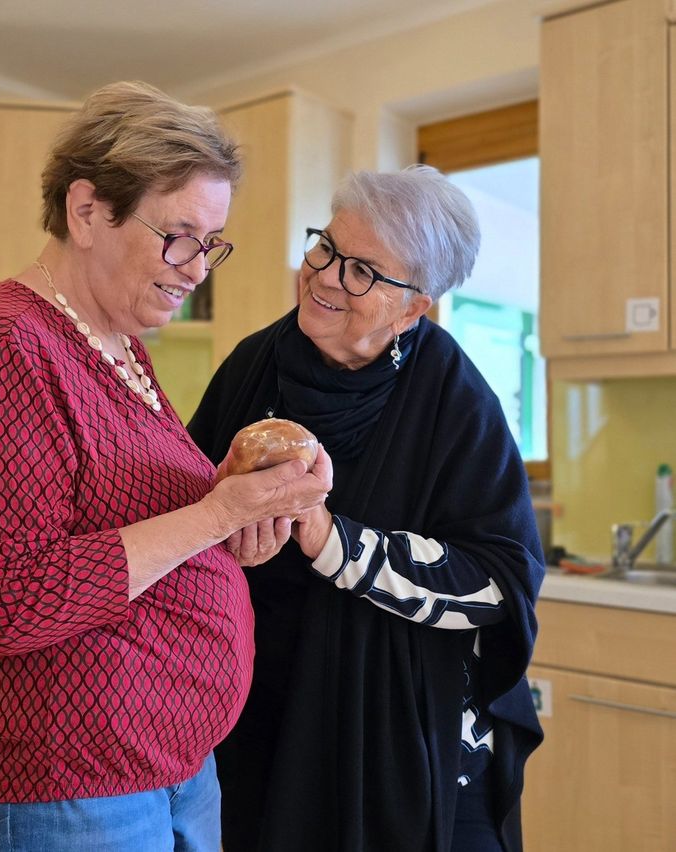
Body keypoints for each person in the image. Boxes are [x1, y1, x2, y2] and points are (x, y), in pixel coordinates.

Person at [0, 80, 332, 852]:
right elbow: (6, 600)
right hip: (59, 784)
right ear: (86, 211)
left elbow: (128, 528)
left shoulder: (120, 347)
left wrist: (238, 520)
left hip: (163, 768)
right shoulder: (2, 346)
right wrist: (217, 515)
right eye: (179, 235)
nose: (199, 266)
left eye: (211, 242)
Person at [188, 165, 545, 852]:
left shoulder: (456, 400)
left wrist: (330, 539)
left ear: (414, 306)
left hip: (393, 734)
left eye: (362, 271)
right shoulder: (254, 362)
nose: (324, 277)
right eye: (325, 247)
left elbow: (497, 581)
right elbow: (188, 499)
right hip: (250, 712)